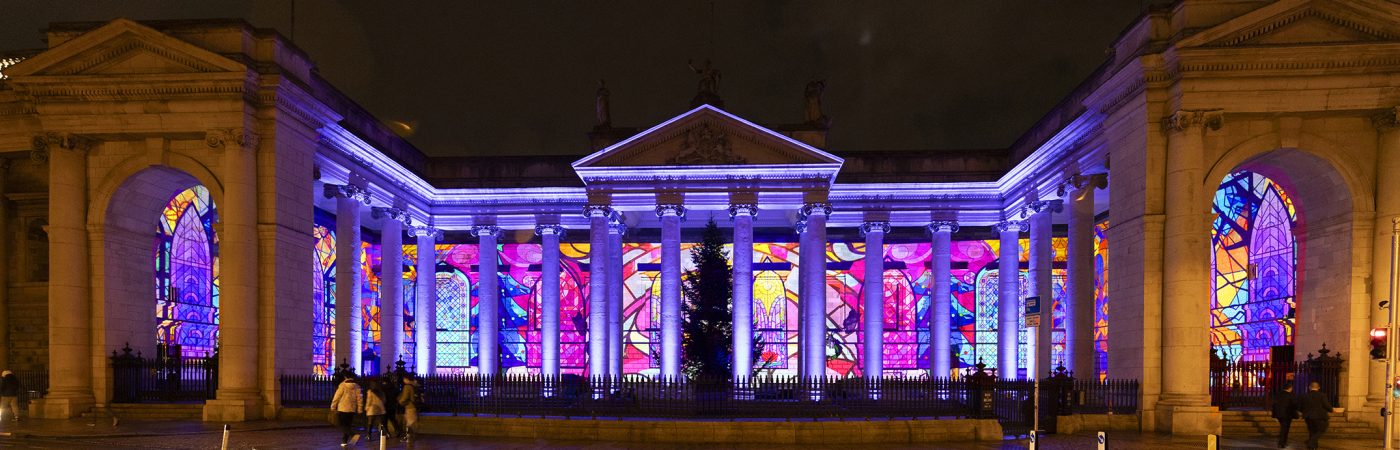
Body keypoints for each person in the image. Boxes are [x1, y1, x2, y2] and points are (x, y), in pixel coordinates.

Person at [329, 374, 363, 448]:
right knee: (348, 425)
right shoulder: (356, 387)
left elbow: (336, 397)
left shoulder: (342, 386)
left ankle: (353, 434)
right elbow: (360, 399)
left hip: (342, 409)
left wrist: (333, 407)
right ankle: (344, 441)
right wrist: (360, 409)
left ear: (345, 377)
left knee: (342, 425)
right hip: (352, 409)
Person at [1298, 381, 1332, 450]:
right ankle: (1311, 442)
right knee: (1321, 430)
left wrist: (1305, 412)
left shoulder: (1304, 396)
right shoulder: (1322, 395)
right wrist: (1331, 410)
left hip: (1308, 417)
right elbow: (1326, 405)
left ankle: (1312, 447)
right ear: (1319, 387)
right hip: (1320, 417)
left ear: (1309, 387)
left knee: (1312, 431)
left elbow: (1300, 407)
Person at [1271, 383, 1300, 448]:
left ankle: (1282, 442)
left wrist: (1274, 414)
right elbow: (1294, 405)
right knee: (1285, 429)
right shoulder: (1291, 395)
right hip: (1287, 414)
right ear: (1290, 388)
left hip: (1279, 414)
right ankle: (1282, 443)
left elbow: (1274, 405)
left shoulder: (1278, 395)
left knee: (1283, 428)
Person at [396, 375, 420, 442]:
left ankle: (408, 437)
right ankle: (410, 436)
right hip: (414, 406)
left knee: (409, 422)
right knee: (411, 421)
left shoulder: (407, 387)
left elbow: (405, 397)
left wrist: (400, 401)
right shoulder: (414, 386)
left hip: (409, 406)